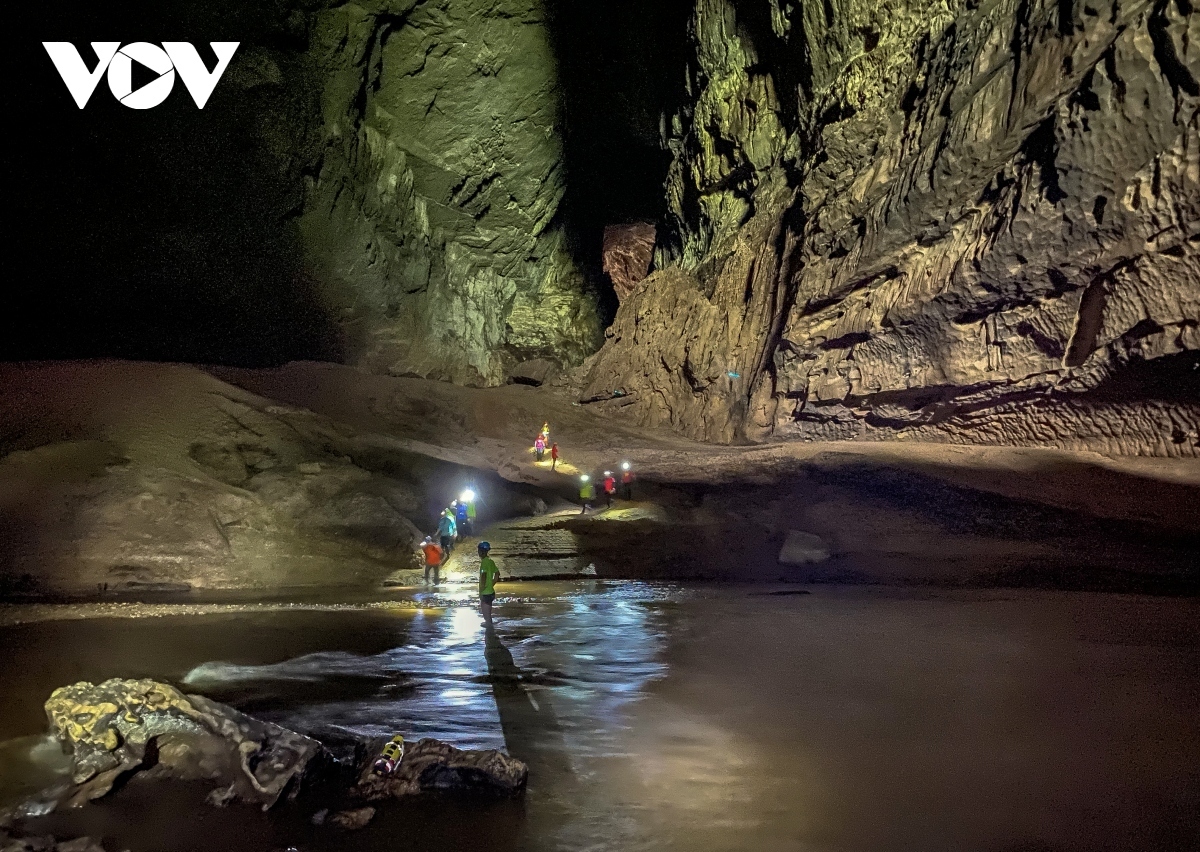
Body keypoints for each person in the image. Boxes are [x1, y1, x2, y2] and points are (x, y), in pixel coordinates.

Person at [478, 541, 500, 623]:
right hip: (491, 592)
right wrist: (492, 584)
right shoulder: (491, 561)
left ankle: (490, 632)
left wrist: (481, 590)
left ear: (481, 551)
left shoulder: (484, 562)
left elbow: (483, 576)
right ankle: (490, 630)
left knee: (487, 617)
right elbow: (497, 574)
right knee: (488, 615)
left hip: (485, 593)